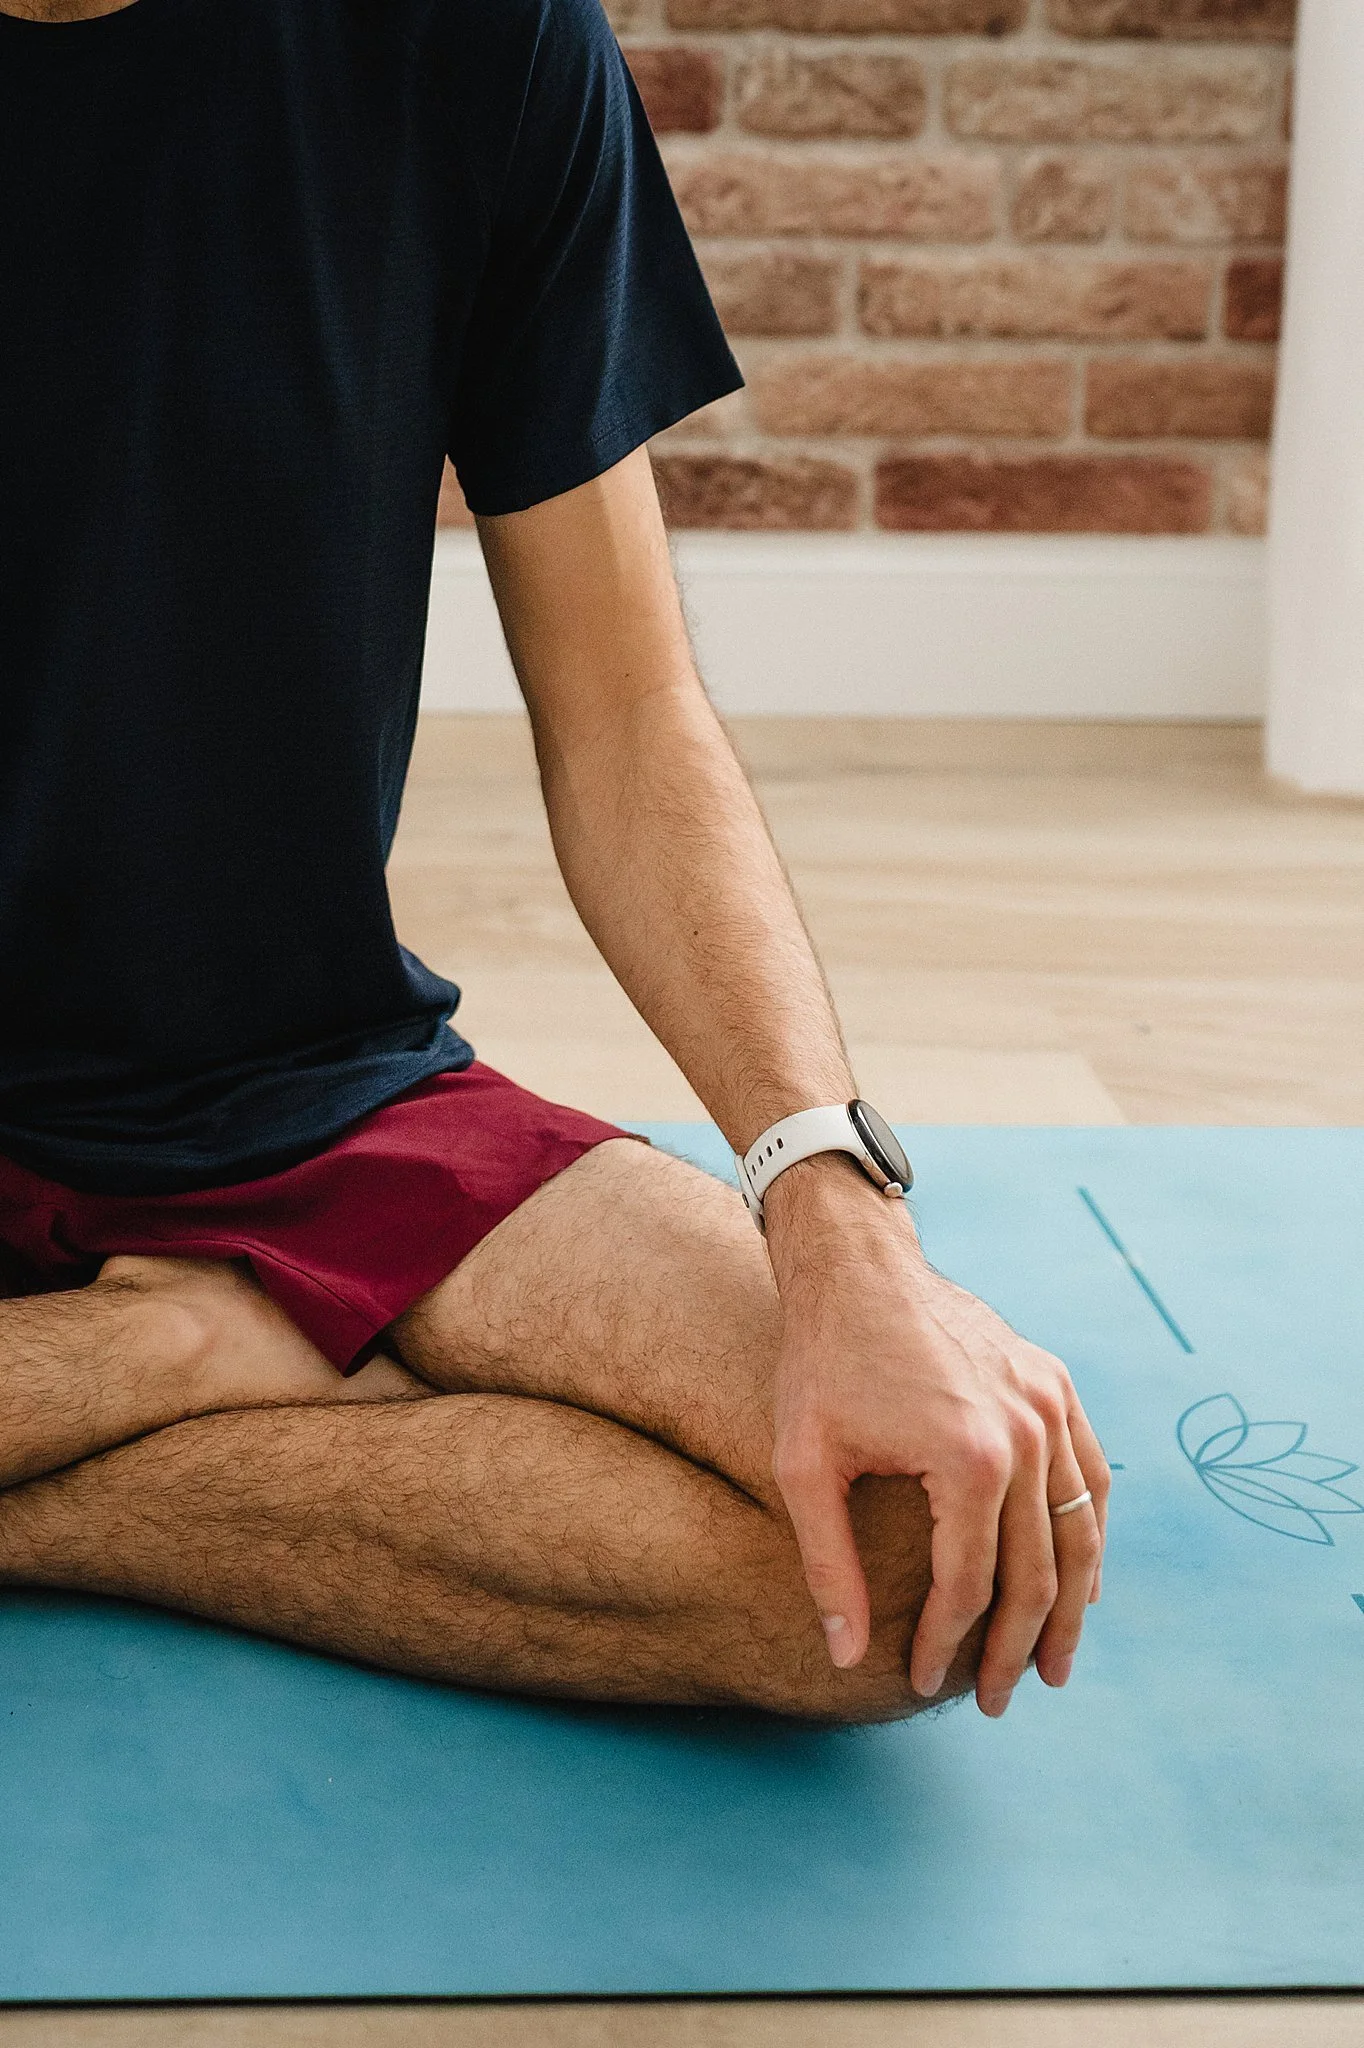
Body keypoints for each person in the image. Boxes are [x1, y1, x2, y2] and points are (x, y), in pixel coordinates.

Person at [0, 0, 1109, 1726]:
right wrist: (143, 1358)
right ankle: (172, 1356)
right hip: (183, 1200)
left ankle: (75, 1443)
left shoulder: (474, 33)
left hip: (295, 1086)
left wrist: (839, 1225)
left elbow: (630, 710)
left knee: (914, 1546)